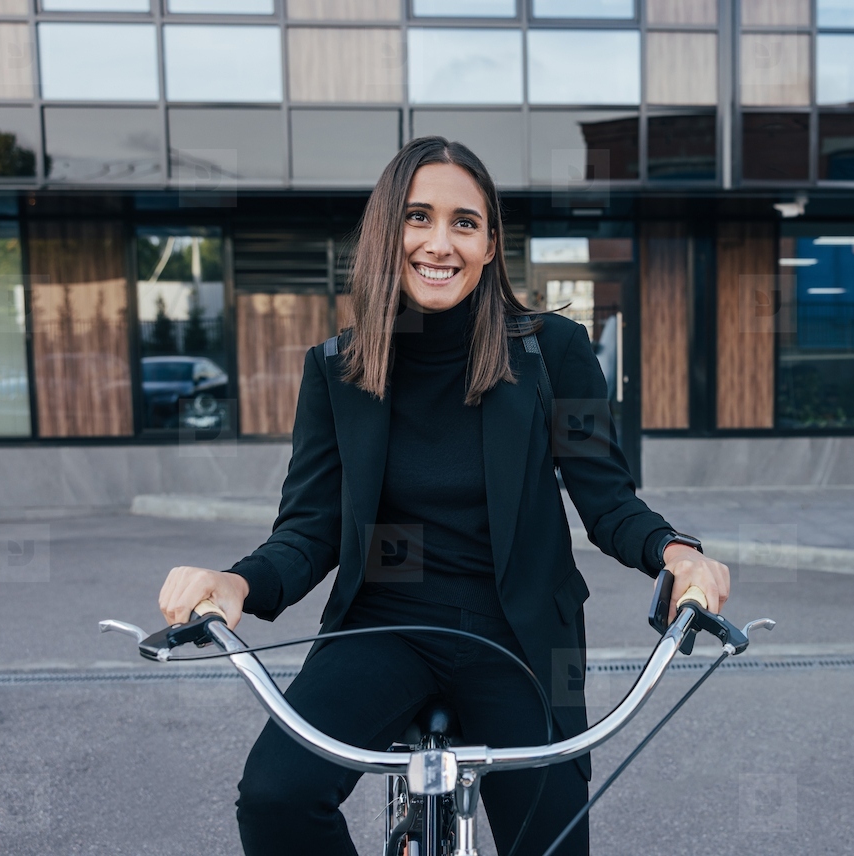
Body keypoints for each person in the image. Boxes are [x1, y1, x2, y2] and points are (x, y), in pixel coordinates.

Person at [157, 136, 730, 856]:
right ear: (387, 231)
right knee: (277, 796)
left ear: (491, 244)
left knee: (550, 843)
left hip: (521, 638)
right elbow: (309, 530)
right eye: (418, 216)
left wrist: (678, 556)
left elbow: (608, 499)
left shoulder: (553, 351)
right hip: (382, 626)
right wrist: (234, 580)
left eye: (465, 222)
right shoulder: (336, 368)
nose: (440, 242)